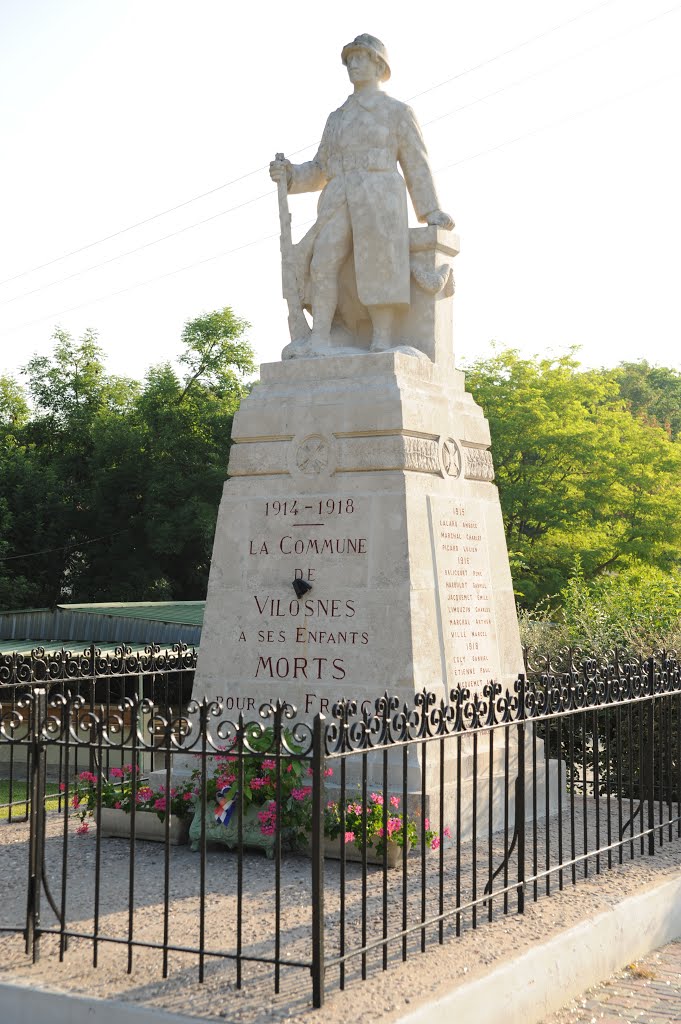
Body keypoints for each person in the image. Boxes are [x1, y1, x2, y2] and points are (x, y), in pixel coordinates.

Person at [270, 34, 454, 356]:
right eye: (349, 60)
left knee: (379, 266)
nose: (353, 65)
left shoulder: (397, 112)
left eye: (360, 58)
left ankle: (381, 340)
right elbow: (320, 167)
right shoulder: (337, 117)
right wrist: (290, 176)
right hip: (338, 195)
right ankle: (321, 339)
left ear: (379, 64)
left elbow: (416, 162)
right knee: (322, 261)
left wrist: (430, 212)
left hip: (380, 194)